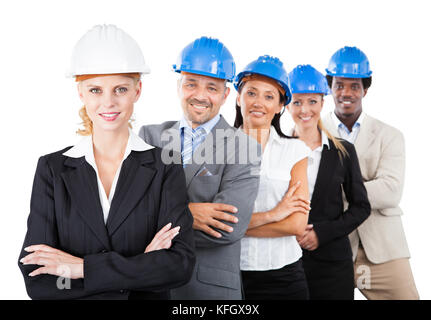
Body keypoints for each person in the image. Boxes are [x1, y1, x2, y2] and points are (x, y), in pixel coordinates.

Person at [18, 24, 195, 300]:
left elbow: (178, 266)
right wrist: (139, 269)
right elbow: (37, 276)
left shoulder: (165, 167)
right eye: (96, 90)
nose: (108, 103)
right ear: (81, 93)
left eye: (120, 89)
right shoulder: (52, 170)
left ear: (137, 91)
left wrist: (81, 268)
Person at [139, 36, 261, 300]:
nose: (200, 96)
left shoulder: (244, 148)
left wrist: (154, 220)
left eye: (212, 88)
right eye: (191, 83)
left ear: (226, 94)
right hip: (150, 285)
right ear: (179, 85)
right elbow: (127, 214)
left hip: (207, 291)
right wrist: (191, 211)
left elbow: (228, 228)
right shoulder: (150, 137)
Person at [322, 46, 419, 300]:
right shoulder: (313, 134)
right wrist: (362, 187)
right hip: (330, 247)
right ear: (329, 88)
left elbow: (390, 192)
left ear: (365, 90)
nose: (346, 93)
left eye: (354, 86)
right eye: (339, 85)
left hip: (382, 249)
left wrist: (331, 189)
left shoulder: (390, 136)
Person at [286, 64, 370, 300]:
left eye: (312, 101)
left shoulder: (343, 151)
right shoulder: (277, 150)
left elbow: (361, 207)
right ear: (287, 105)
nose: (305, 110)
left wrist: (322, 233)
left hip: (332, 266)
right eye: (297, 102)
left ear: (323, 103)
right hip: (287, 263)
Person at [233, 55, 311, 300]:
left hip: (285, 276)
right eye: (251, 93)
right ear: (238, 98)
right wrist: (274, 215)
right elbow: (214, 224)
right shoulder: (216, 149)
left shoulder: (295, 152)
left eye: (269, 96)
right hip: (231, 275)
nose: (259, 102)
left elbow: (297, 225)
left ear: (280, 106)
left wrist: (237, 227)